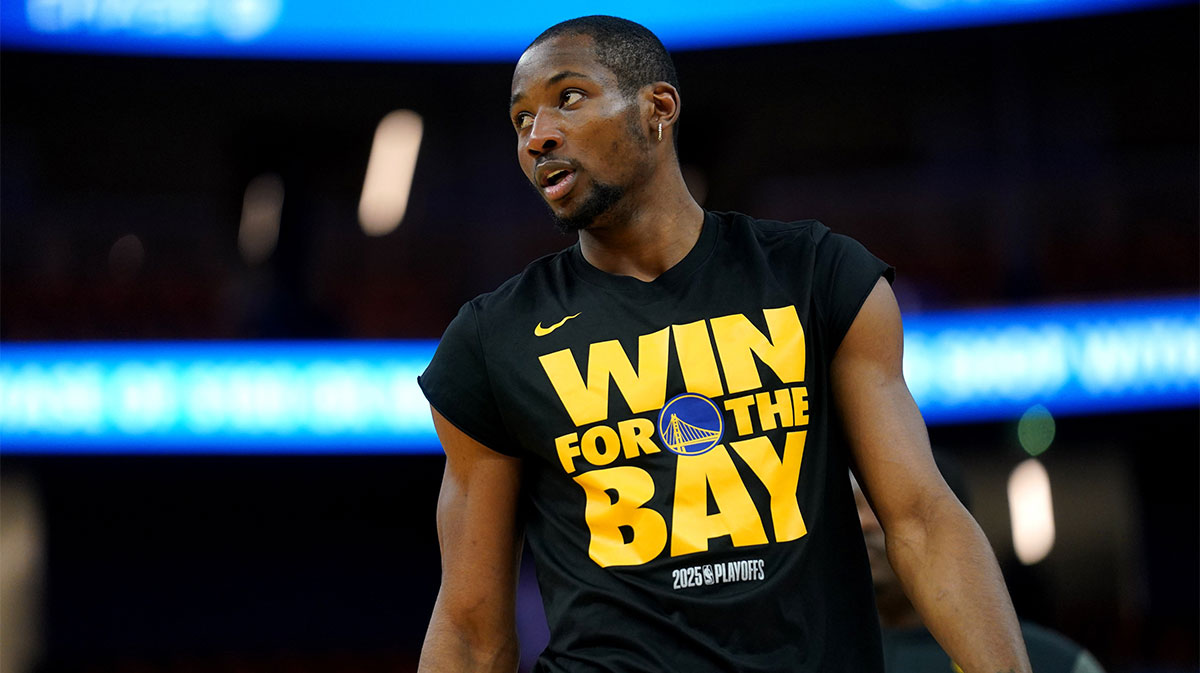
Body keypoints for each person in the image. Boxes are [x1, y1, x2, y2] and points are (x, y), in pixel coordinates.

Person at [417, 15, 1031, 672]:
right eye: (520, 120)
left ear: (658, 109)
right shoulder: (493, 339)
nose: (537, 136)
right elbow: (470, 629)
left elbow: (922, 521)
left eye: (568, 98)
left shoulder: (816, 274)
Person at [852, 456, 1106, 673]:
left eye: (878, 504)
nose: (863, 523)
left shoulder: (1056, 662)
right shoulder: (836, 655)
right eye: (854, 507)